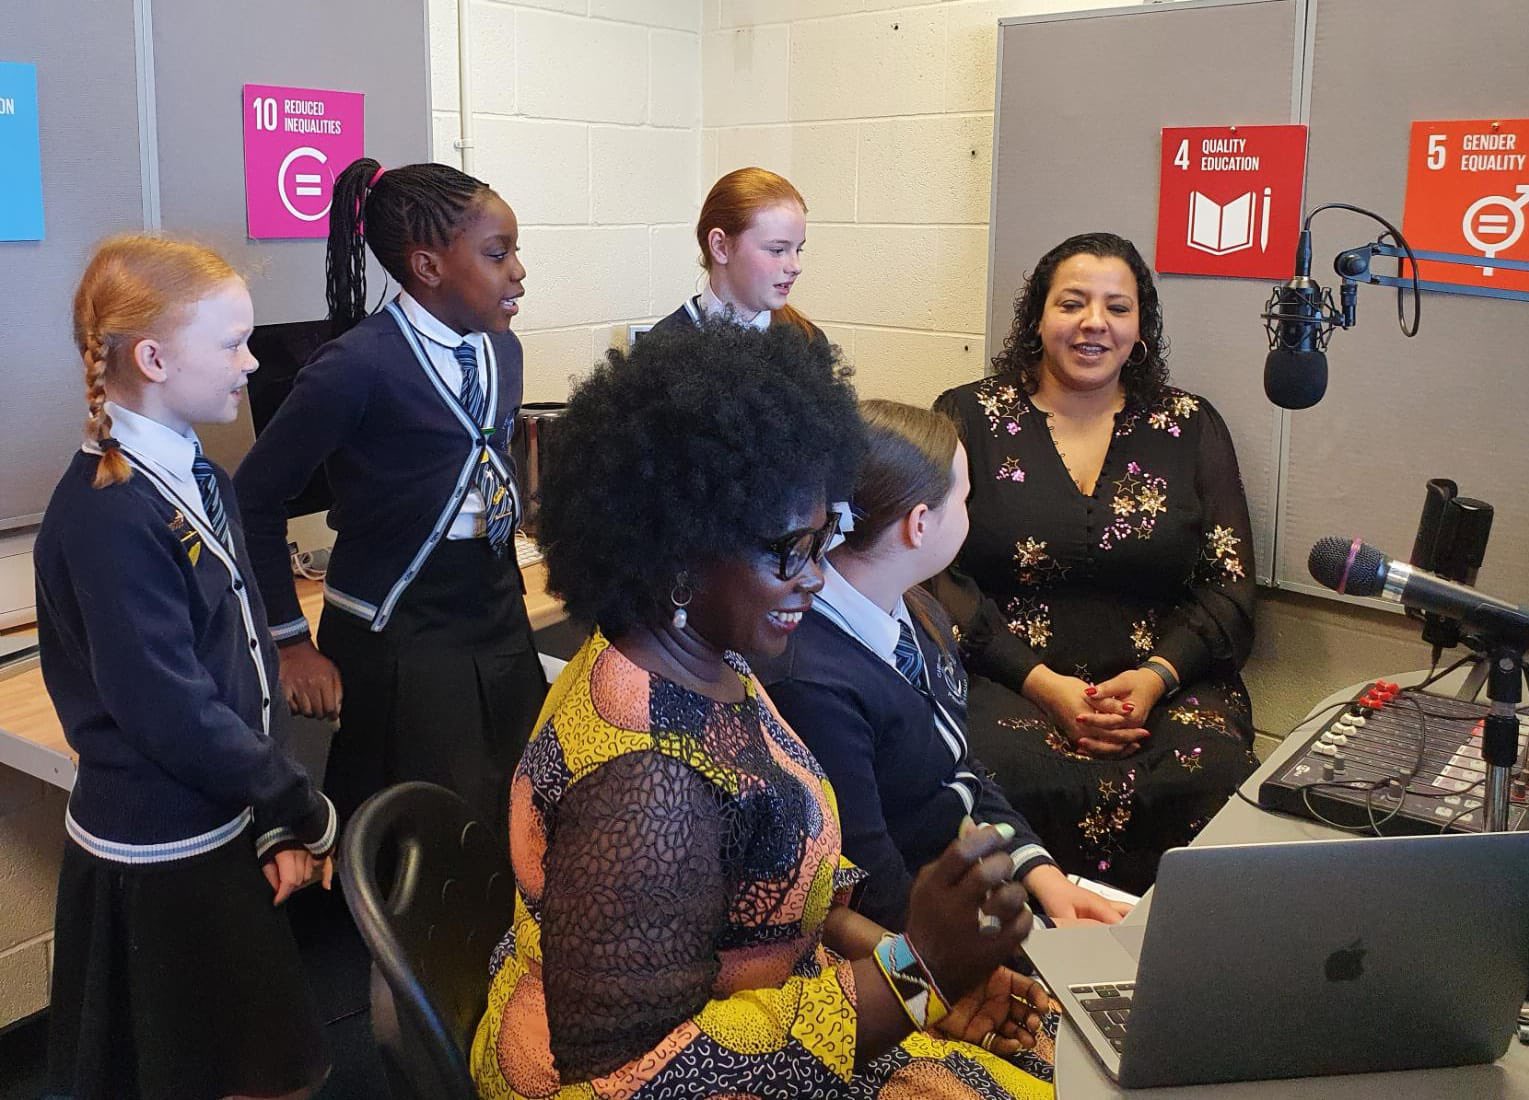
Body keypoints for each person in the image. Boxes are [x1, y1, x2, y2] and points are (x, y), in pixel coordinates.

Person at [472, 324, 1060, 1098]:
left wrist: (914, 970)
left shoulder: (714, 660)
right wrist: (920, 976)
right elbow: (632, 1076)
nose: (817, 579)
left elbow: (776, 899)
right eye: (791, 550)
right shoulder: (647, 785)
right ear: (682, 552)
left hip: (763, 1013)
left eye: (827, 540)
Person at [36, 235, 338, 1100]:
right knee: (205, 1076)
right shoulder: (106, 515)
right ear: (155, 357)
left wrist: (270, 820)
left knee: (268, 1067)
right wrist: (294, 798)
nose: (252, 361)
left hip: (220, 816)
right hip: (159, 848)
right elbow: (170, 709)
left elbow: (241, 651)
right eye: (233, 342)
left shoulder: (194, 471)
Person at [932, 232, 1258, 894]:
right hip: (1007, 678)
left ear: (1141, 327)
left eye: (1117, 307)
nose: (1094, 324)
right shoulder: (968, 416)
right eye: (1072, 303)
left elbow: (1229, 588)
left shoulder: (1190, 425)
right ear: (1038, 318)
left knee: (1217, 775)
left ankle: (1170, 965)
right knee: (999, 775)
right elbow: (936, 574)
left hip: (1165, 688)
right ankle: (1017, 964)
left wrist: (1154, 678)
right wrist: (1044, 685)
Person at [235, 159, 548, 833]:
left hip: (495, 608)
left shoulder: (504, 350)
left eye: (515, 251)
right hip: (400, 625)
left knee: (520, 808)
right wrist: (289, 641)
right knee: (436, 827)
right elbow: (252, 498)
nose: (518, 270)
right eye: (498, 254)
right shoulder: (355, 365)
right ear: (428, 267)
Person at [759, 399, 1132, 931]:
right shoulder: (813, 683)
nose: (970, 514)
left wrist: (1044, 878)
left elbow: (959, 774)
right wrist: (1009, 955)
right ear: (918, 524)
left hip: (965, 905)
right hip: (914, 943)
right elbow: (871, 888)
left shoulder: (918, 609)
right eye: (964, 498)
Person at [649, 166, 825, 343]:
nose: (796, 267)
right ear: (720, 247)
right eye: (777, 250)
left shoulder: (809, 341)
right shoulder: (664, 346)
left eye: (798, 250)